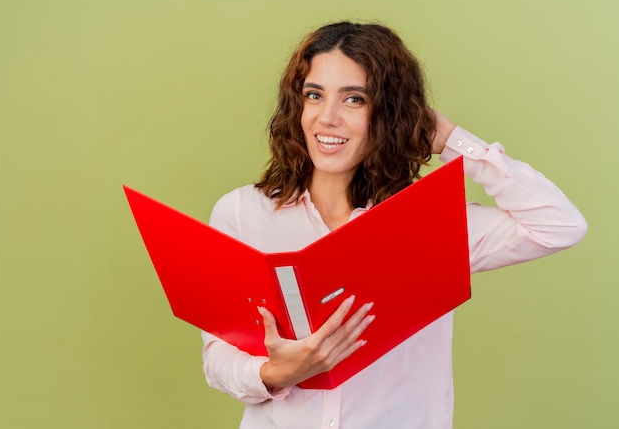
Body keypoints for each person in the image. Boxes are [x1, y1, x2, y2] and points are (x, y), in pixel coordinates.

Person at [201, 22, 587, 429]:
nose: (327, 118)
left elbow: (559, 225)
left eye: (354, 99)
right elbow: (218, 357)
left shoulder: (433, 224)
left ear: (389, 112)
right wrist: (275, 375)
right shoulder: (242, 213)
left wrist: (452, 140)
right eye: (314, 95)